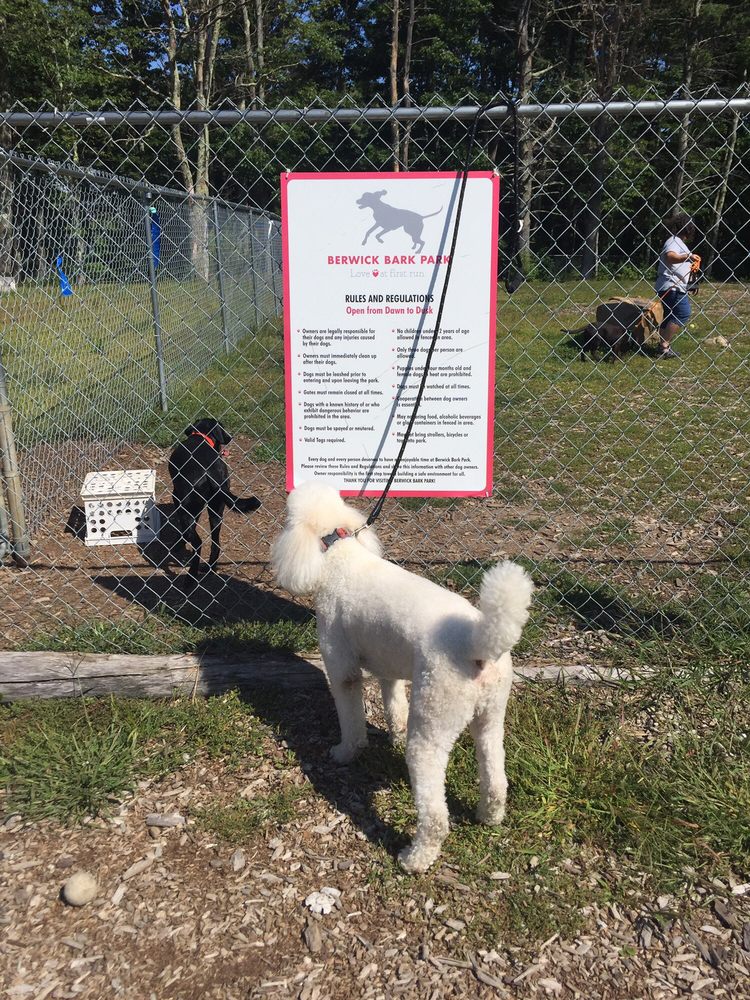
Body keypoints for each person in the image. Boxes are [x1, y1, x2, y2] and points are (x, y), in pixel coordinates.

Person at [654, 211, 700, 360]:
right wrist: (688, 256)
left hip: (674, 285)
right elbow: (670, 256)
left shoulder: (678, 242)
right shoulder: (673, 241)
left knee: (669, 316)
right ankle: (664, 346)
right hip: (671, 285)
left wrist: (690, 282)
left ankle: (662, 347)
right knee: (683, 313)